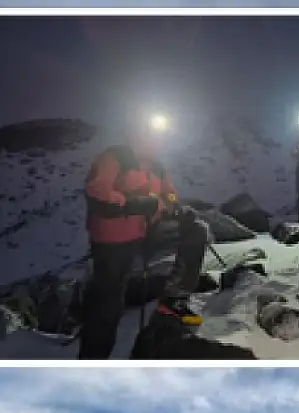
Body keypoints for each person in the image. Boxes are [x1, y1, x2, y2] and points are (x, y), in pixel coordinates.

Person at [79, 117, 207, 359]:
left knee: (196, 230)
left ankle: (174, 298)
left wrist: (175, 207)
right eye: (147, 133)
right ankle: (93, 358)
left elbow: (168, 194)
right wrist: (135, 204)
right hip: (114, 239)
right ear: (133, 133)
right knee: (108, 303)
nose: (154, 140)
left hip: (149, 230)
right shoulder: (114, 158)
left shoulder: (158, 167)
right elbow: (97, 194)